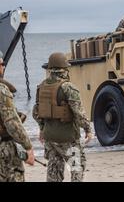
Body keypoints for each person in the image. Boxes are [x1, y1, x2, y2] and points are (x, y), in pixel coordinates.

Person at [32, 53, 93, 182]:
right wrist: (88, 129)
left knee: (54, 171)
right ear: (64, 69)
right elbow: (79, 113)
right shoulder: (68, 87)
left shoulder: (41, 87)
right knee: (77, 168)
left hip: (50, 138)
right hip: (68, 138)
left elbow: (36, 112)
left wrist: (42, 129)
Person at [0, 51, 35, 182]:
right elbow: (12, 123)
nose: (3, 67)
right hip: (4, 148)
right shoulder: (2, 90)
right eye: (2, 64)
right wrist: (28, 146)